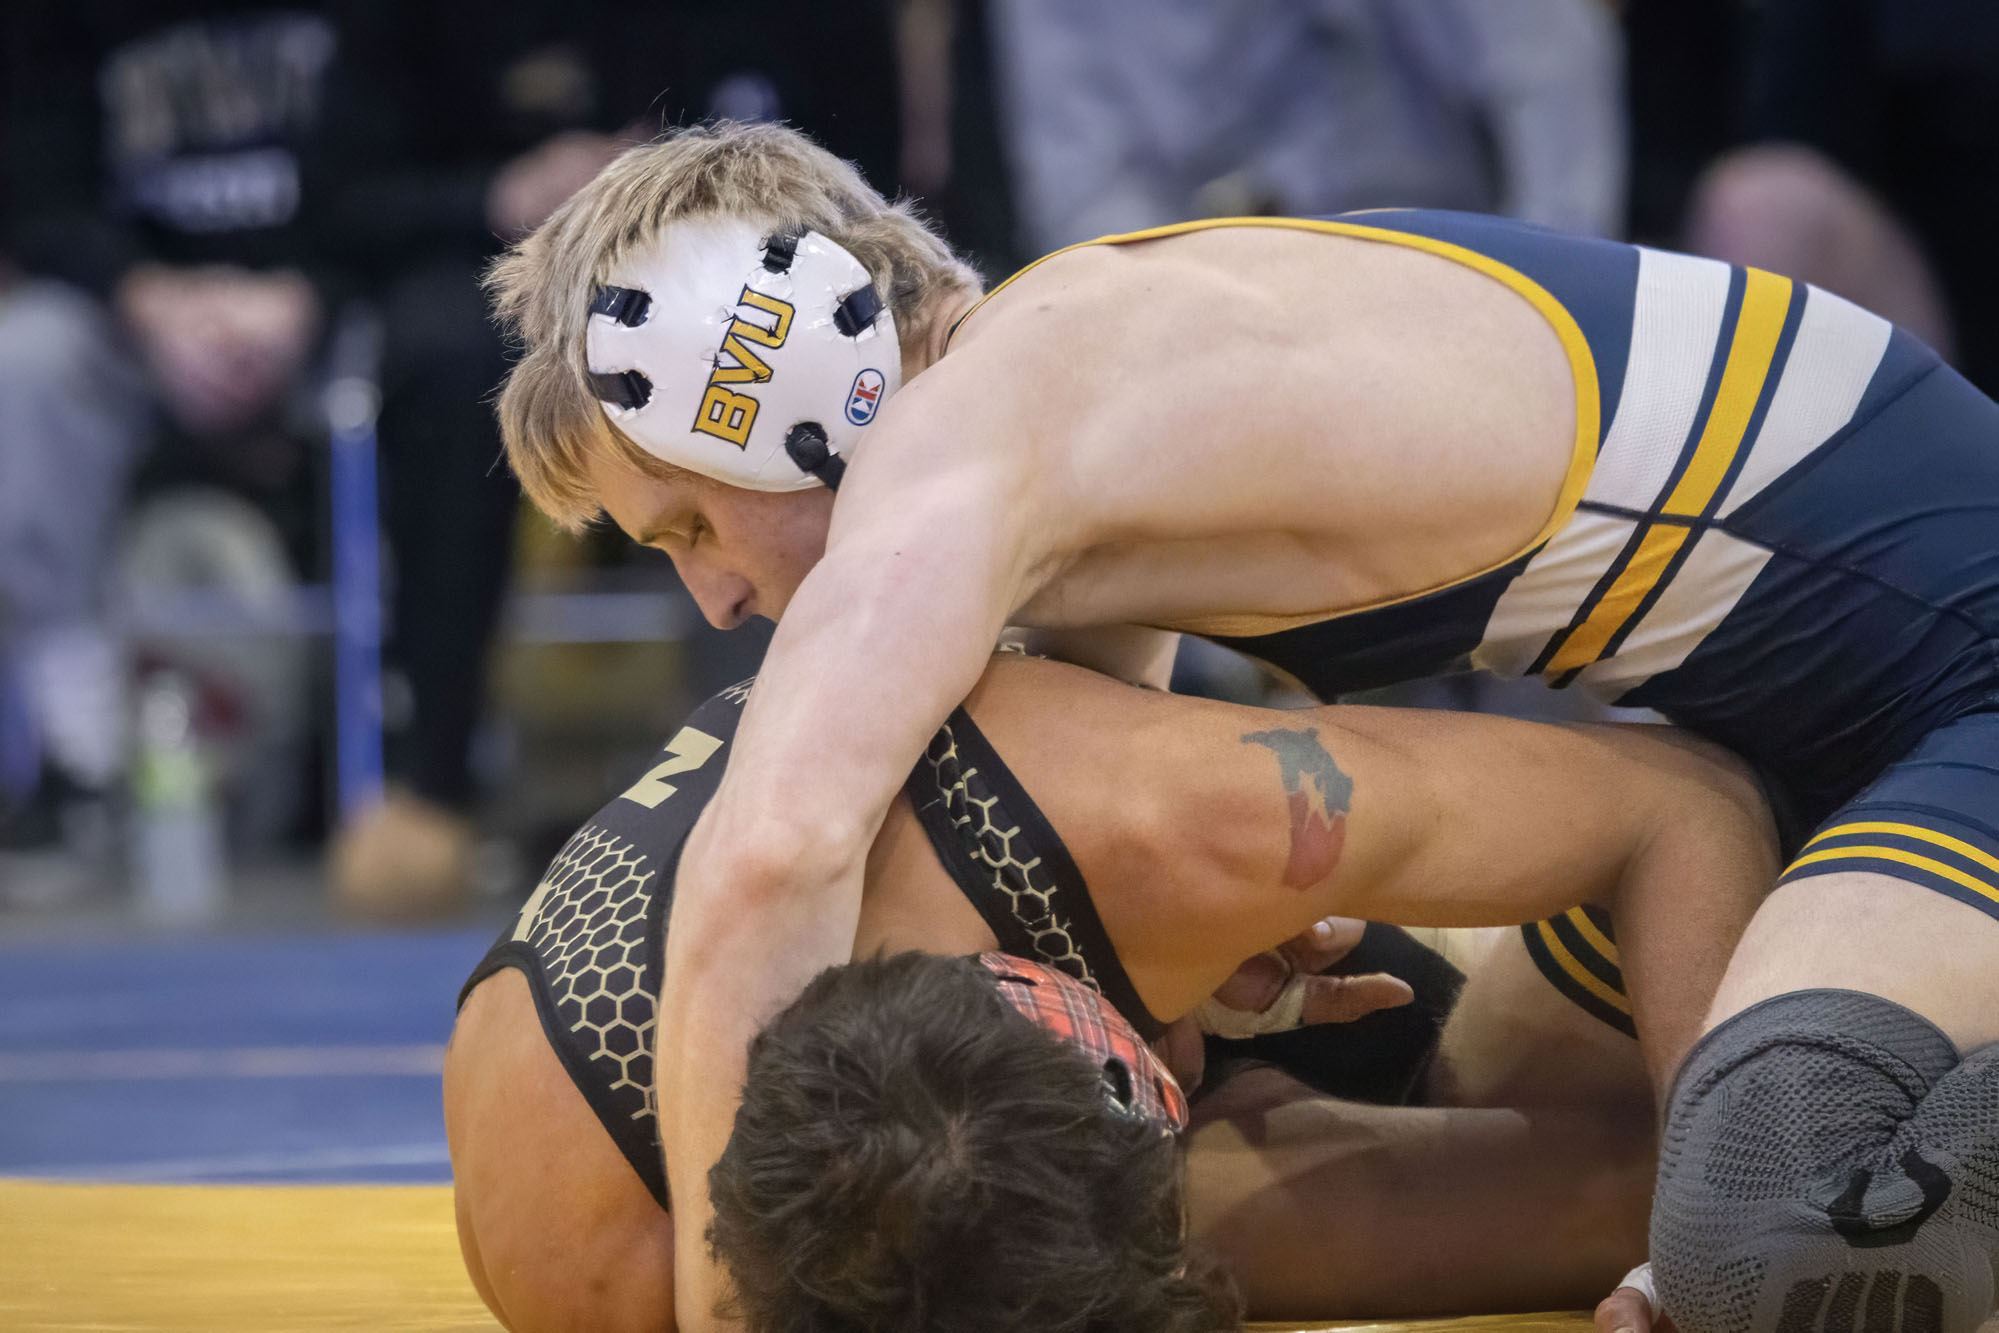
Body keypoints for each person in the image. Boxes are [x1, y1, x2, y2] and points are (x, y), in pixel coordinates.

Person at [488, 124, 1999, 1331]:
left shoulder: (963, 452)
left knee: (1757, 1244)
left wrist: (730, 1311)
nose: (715, 601)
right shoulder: (1055, 406)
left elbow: (764, 874)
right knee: (1504, 1097)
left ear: (770, 381)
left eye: (689, 520)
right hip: (1829, 725)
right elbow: (1111, 888)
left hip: (1964, 676)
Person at [445, 650, 1771, 1330]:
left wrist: (1735, 1227)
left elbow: (1679, 799)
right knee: (1601, 1188)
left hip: (1111, 868)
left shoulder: (1164, 816)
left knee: (1697, 1188)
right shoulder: (595, 1255)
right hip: (872, 1146)